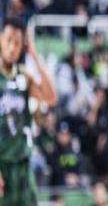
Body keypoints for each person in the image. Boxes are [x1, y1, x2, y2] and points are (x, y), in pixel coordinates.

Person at [0, 17, 57, 205]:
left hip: (23, 164)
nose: (12, 47)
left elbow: (51, 97)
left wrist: (34, 55)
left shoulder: (24, 75)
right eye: (9, 40)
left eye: (17, 43)